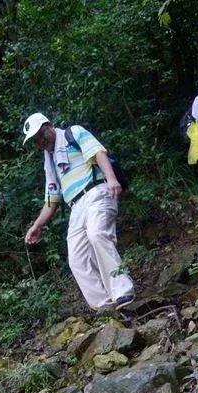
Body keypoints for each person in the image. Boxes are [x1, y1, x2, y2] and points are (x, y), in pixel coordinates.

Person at [23, 113, 134, 312]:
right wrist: (37, 225)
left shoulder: (73, 133)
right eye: (35, 140)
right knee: (76, 258)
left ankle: (121, 290)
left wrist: (111, 179)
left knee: (97, 233)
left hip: (96, 191)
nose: (40, 141)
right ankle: (103, 307)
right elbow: (52, 198)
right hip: (76, 205)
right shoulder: (49, 159)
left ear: (50, 125)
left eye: (41, 134)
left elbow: (98, 152)